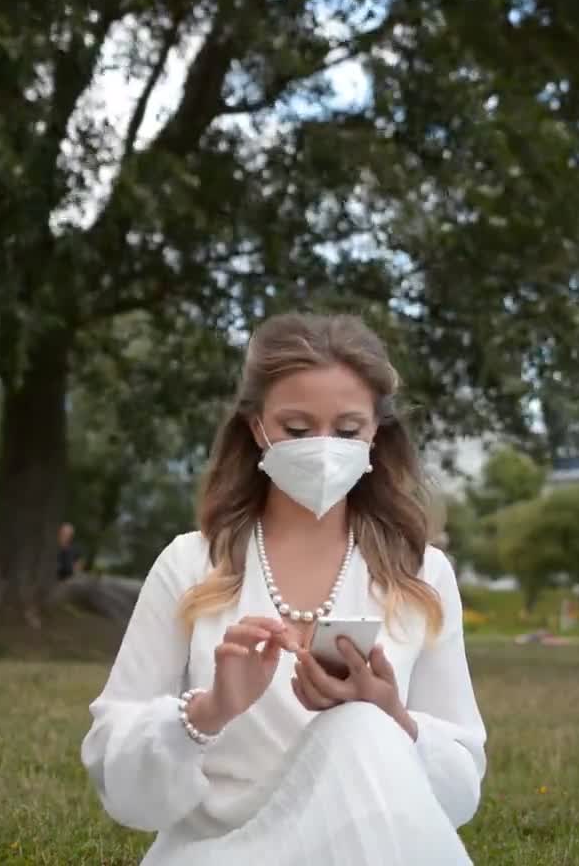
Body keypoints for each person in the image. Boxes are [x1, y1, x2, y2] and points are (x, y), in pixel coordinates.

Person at [82, 313, 486, 865]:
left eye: (347, 431)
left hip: (366, 847)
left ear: (376, 434)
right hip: (222, 851)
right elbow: (120, 783)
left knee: (363, 726)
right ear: (257, 429)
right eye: (297, 429)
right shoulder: (190, 564)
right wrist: (208, 712)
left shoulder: (421, 574)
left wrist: (395, 718)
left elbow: (460, 790)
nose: (323, 449)